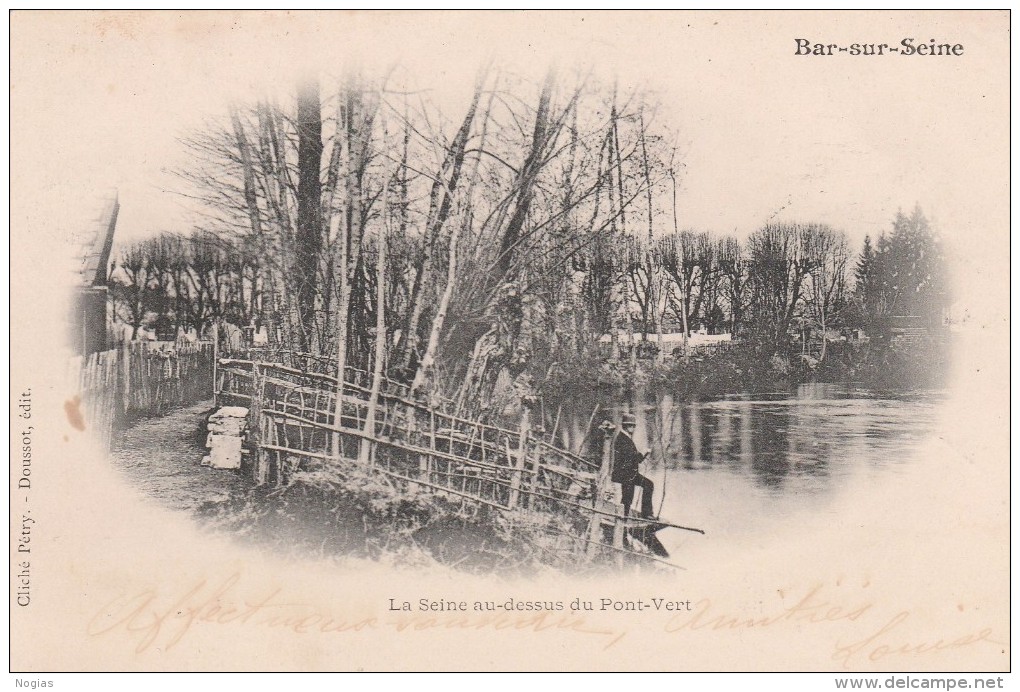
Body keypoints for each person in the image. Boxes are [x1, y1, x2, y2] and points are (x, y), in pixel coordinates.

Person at [612, 413, 655, 519]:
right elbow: (631, 459)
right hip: (625, 475)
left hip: (630, 473)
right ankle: (623, 520)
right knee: (627, 498)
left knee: (648, 485)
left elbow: (634, 459)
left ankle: (646, 514)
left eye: (633, 426)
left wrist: (644, 454)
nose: (633, 428)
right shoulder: (622, 439)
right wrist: (643, 453)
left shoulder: (625, 438)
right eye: (631, 426)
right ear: (625, 426)